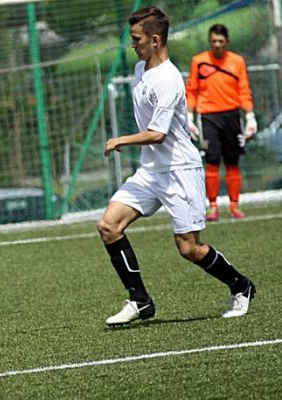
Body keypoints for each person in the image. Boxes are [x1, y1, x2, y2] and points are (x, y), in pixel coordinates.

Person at [99, 7, 256, 326]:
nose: (133, 45)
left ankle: (241, 286)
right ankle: (140, 300)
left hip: (179, 171)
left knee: (189, 248)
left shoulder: (169, 79)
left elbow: (158, 134)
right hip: (150, 171)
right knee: (108, 226)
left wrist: (120, 140)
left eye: (137, 39)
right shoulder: (140, 69)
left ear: (155, 40)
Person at [186, 24, 257, 221]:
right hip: (208, 116)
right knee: (212, 161)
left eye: (221, 41)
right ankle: (213, 206)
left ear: (227, 41)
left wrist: (250, 116)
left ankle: (234, 205)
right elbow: (191, 90)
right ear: (209, 42)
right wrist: (189, 117)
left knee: (233, 161)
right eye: (214, 41)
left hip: (232, 115)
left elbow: (244, 89)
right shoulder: (198, 61)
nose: (217, 45)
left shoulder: (237, 61)